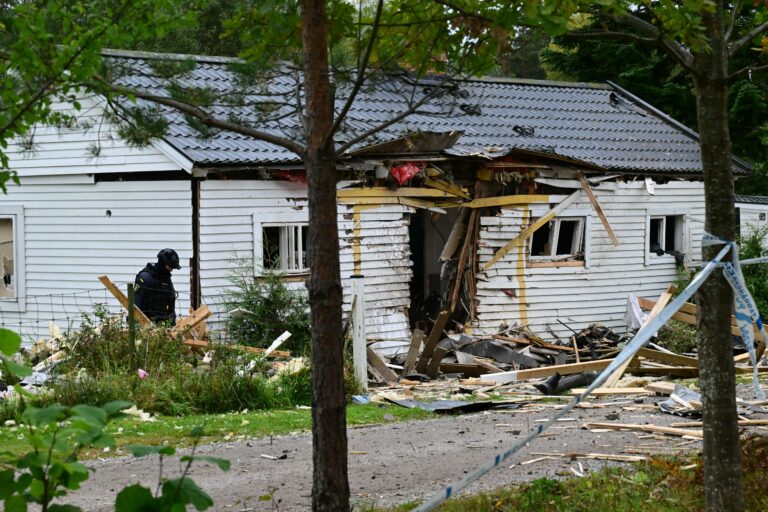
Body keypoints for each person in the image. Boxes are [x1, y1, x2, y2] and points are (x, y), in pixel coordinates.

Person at [134, 248, 180, 324]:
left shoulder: (166, 279)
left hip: (163, 326)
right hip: (145, 325)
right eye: (170, 267)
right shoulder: (146, 278)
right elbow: (136, 303)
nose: (171, 270)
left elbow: (171, 304)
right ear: (163, 263)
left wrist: (172, 323)